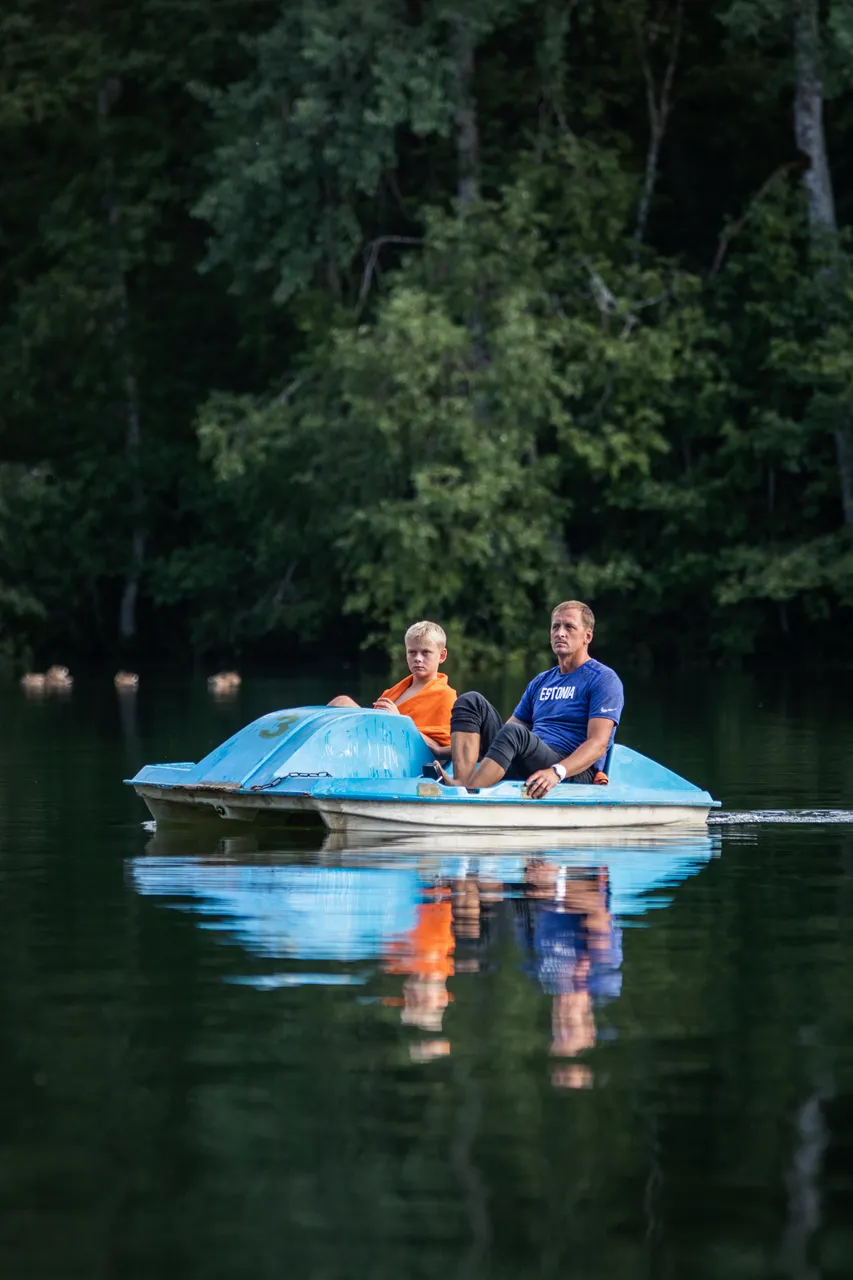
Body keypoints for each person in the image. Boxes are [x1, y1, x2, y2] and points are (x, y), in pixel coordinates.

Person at [435, 600, 623, 795]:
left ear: (587, 636)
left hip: (571, 770)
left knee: (514, 733)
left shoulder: (603, 679)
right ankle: (461, 784)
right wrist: (443, 750)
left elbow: (598, 744)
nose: (560, 633)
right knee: (471, 701)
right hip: (530, 756)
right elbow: (505, 734)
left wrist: (556, 772)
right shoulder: (541, 681)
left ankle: (470, 794)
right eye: (555, 627)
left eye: (569, 627)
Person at [328, 620, 457, 756]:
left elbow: (441, 749)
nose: (418, 658)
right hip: (374, 743)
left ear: (441, 656)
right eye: (412, 652)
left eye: (425, 653)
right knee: (342, 702)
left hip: (400, 756)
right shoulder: (392, 692)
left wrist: (399, 722)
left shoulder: (446, 696)